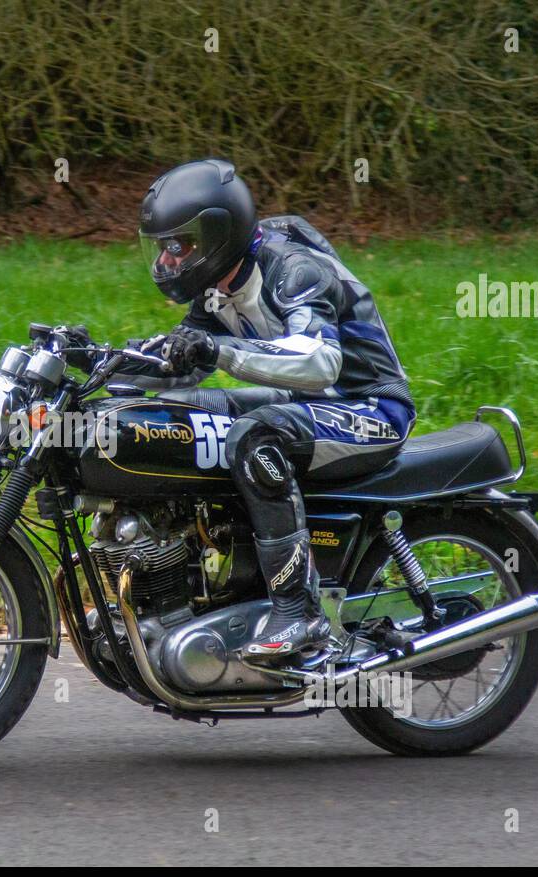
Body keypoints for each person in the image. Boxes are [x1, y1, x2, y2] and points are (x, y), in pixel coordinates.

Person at [125, 158, 415, 666]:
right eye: (164, 249)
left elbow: (321, 361)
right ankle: (205, 582)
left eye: (180, 246)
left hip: (369, 407)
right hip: (306, 405)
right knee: (182, 414)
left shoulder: (293, 270)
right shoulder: (218, 289)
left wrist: (220, 353)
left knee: (251, 437)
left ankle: (297, 609)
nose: (168, 262)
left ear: (220, 233)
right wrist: (97, 363)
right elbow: (180, 366)